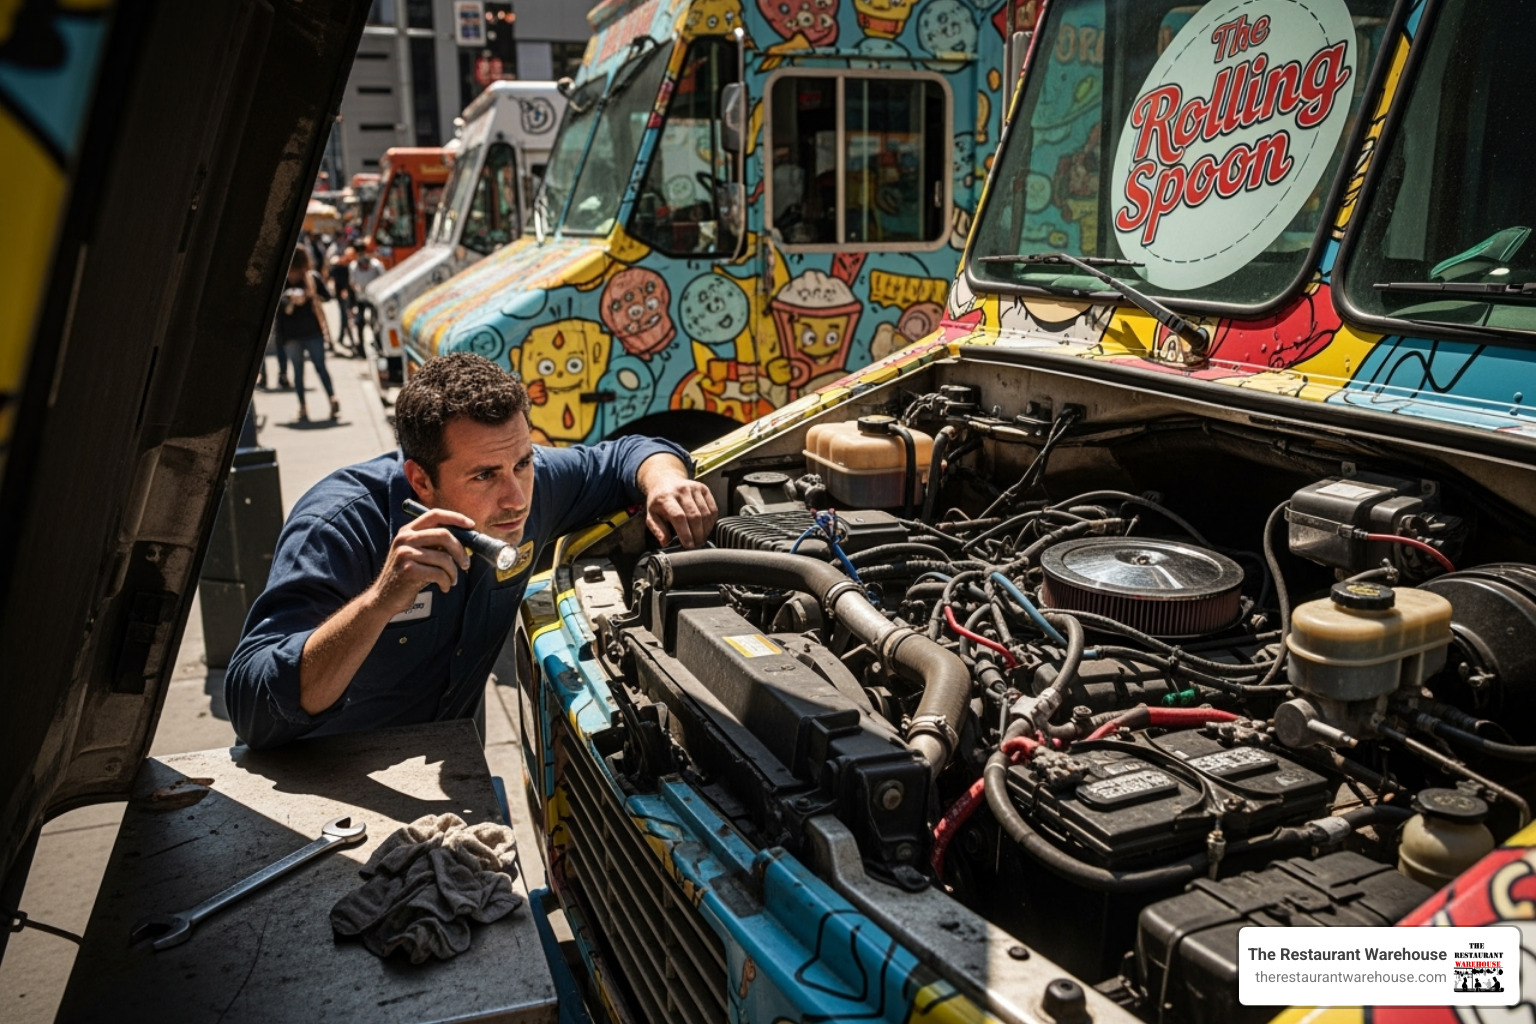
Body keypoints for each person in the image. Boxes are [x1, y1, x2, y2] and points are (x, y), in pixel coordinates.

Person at [225, 353, 717, 750]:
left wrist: (666, 481)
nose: (516, 498)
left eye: (523, 462)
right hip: (323, 793)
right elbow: (251, 708)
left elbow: (625, 454)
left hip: (457, 778)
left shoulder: (529, 484)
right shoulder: (338, 525)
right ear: (420, 479)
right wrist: (378, 604)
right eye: (484, 476)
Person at [276, 245, 339, 422]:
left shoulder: (281, 280)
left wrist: (298, 297)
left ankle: (303, 408)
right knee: (321, 367)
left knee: (298, 372)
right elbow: (328, 296)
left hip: (291, 334)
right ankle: (332, 397)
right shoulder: (311, 277)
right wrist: (309, 295)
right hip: (312, 331)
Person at [349, 241, 386, 344]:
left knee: (376, 322)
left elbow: (384, 279)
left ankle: (378, 342)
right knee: (359, 322)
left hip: (374, 299)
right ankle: (360, 345)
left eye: (362, 251)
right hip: (361, 299)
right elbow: (352, 283)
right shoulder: (353, 266)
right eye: (358, 252)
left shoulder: (375, 265)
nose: (360, 255)